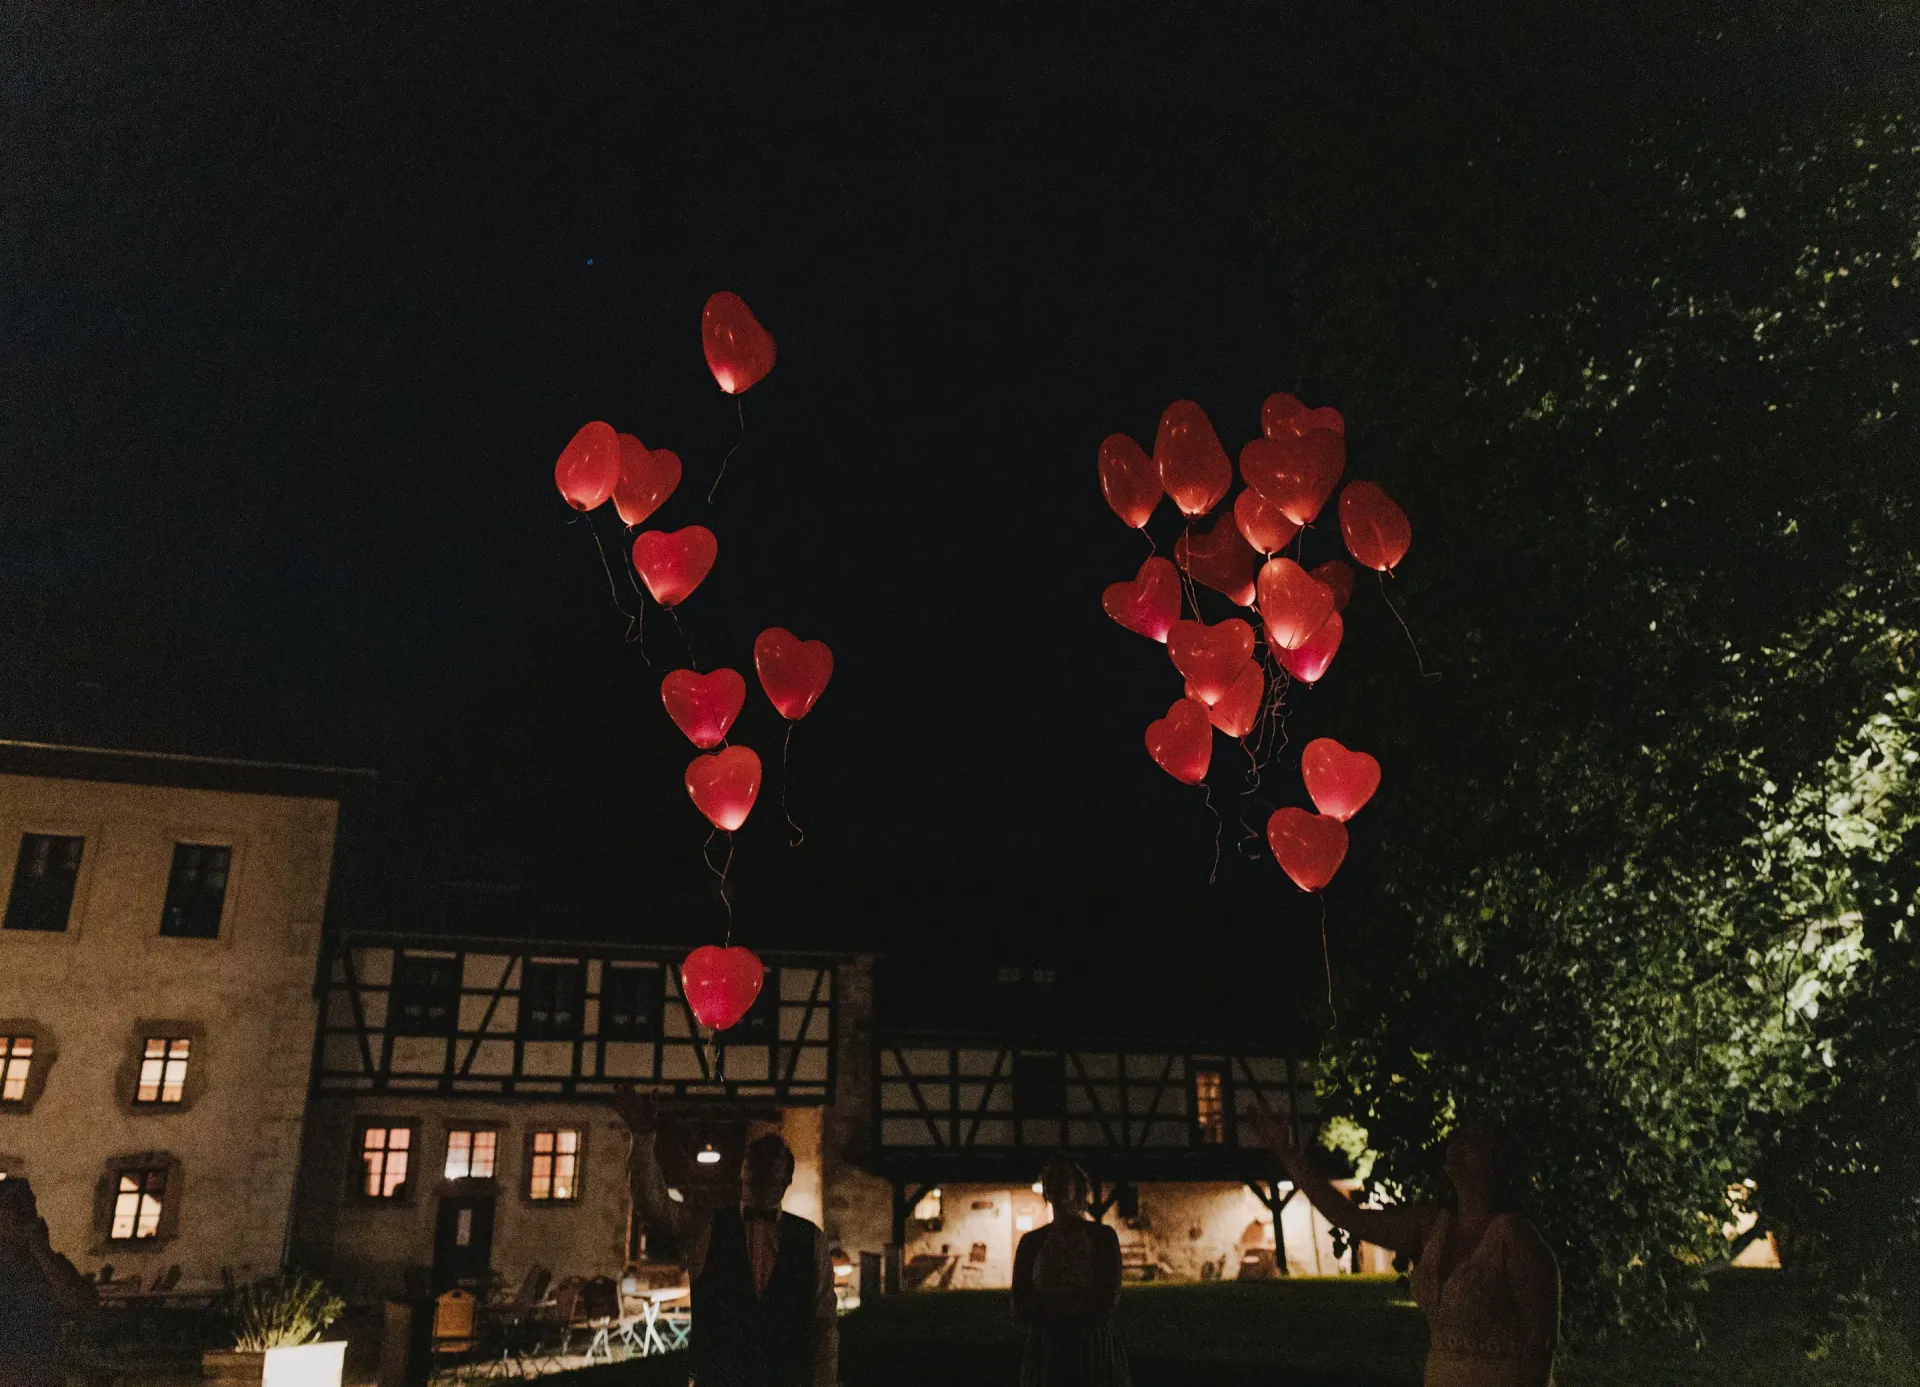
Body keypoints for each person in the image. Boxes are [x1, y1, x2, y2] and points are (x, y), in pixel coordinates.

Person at [1246, 1115, 1559, 1387]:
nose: (1456, 1143)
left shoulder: (1515, 1239)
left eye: (1472, 1138)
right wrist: (1287, 1152)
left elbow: (1540, 1346)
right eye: (1457, 1135)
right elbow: (1347, 1217)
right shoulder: (1432, 1227)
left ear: (1498, 1158)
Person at [614, 1088, 837, 1387]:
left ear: (786, 1180)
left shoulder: (810, 1239)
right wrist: (642, 1139)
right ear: (743, 1173)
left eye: (773, 1165)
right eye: (758, 1164)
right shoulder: (707, 1225)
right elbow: (654, 1207)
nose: (764, 1171)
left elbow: (823, 1323)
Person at [1010, 1156, 1129, 1387]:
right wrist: (1052, 1317)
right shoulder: (1031, 1243)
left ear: (1079, 1187)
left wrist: (1071, 1314)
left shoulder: (1102, 1238)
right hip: (1047, 1347)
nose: (1056, 1184)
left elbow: (1108, 1296)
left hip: (1091, 1346)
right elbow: (1019, 1301)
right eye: (1050, 1179)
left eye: (1063, 1178)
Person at [0, 1178, 95, 1387]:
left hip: (39, 1374)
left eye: (26, 1209)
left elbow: (79, 1305)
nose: (19, 1219)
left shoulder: (48, 1264)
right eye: (11, 1208)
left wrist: (41, 1250)